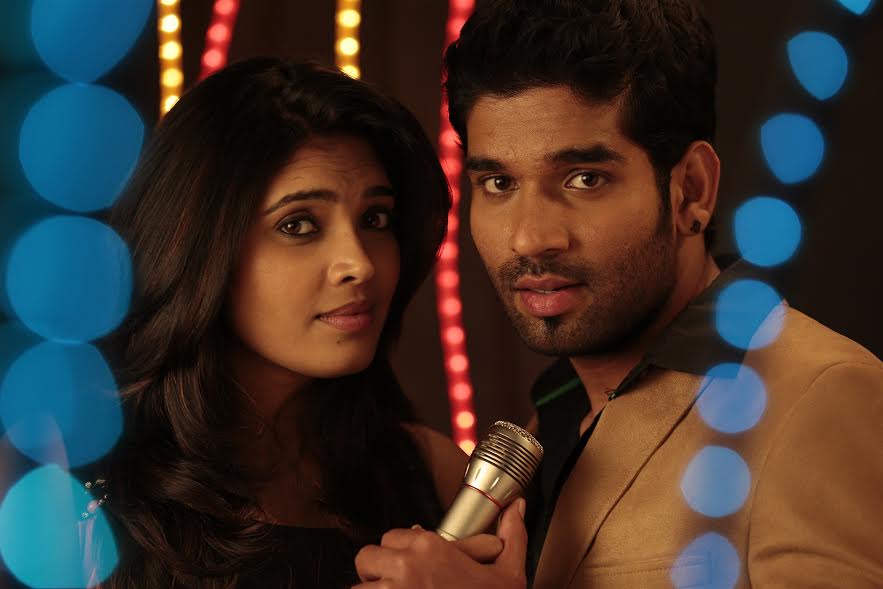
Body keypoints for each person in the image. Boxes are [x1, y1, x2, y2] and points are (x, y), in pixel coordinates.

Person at [353, 1, 883, 587]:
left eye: (584, 179)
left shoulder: (819, 397)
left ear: (691, 191)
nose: (530, 237)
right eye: (499, 182)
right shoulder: (551, 420)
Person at [85, 58, 477, 589]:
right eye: (298, 225)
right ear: (199, 247)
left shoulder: (431, 475)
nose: (359, 263)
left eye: (375, 218)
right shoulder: (81, 484)